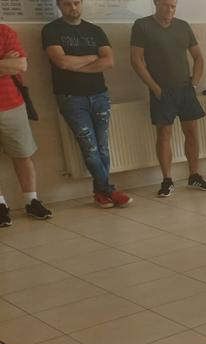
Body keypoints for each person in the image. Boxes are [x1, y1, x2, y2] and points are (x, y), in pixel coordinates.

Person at [44, 0, 131, 208]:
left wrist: (76, 65)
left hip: (99, 95)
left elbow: (108, 61)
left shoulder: (95, 30)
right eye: (67, 4)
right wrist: (92, 58)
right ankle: (109, 190)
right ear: (59, 5)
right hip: (71, 98)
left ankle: (100, 194)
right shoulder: (51, 30)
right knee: (90, 148)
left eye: (76, 2)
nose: (73, 8)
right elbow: (61, 62)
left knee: (103, 148)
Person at [130, 0, 206, 197]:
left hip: (185, 88)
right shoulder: (142, 26)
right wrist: (155, 88)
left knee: (192, 131)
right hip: (161, 90)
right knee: (164, 133)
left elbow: (198, 57)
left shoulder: (183, 26)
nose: (169, 10)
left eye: (173, 6)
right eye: (165, 5)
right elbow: (136, 60)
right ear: (155, 3)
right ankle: (167, 180)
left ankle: (194, 176)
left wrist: (194, 83)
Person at [0, 24, 53, 225]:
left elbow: (20, 65)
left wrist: (11, 63)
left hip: (12, 105)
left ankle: (32, 201)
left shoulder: (4, 31)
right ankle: (0, 205)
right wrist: (4, 62)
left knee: (23, 154)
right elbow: (11, 65)